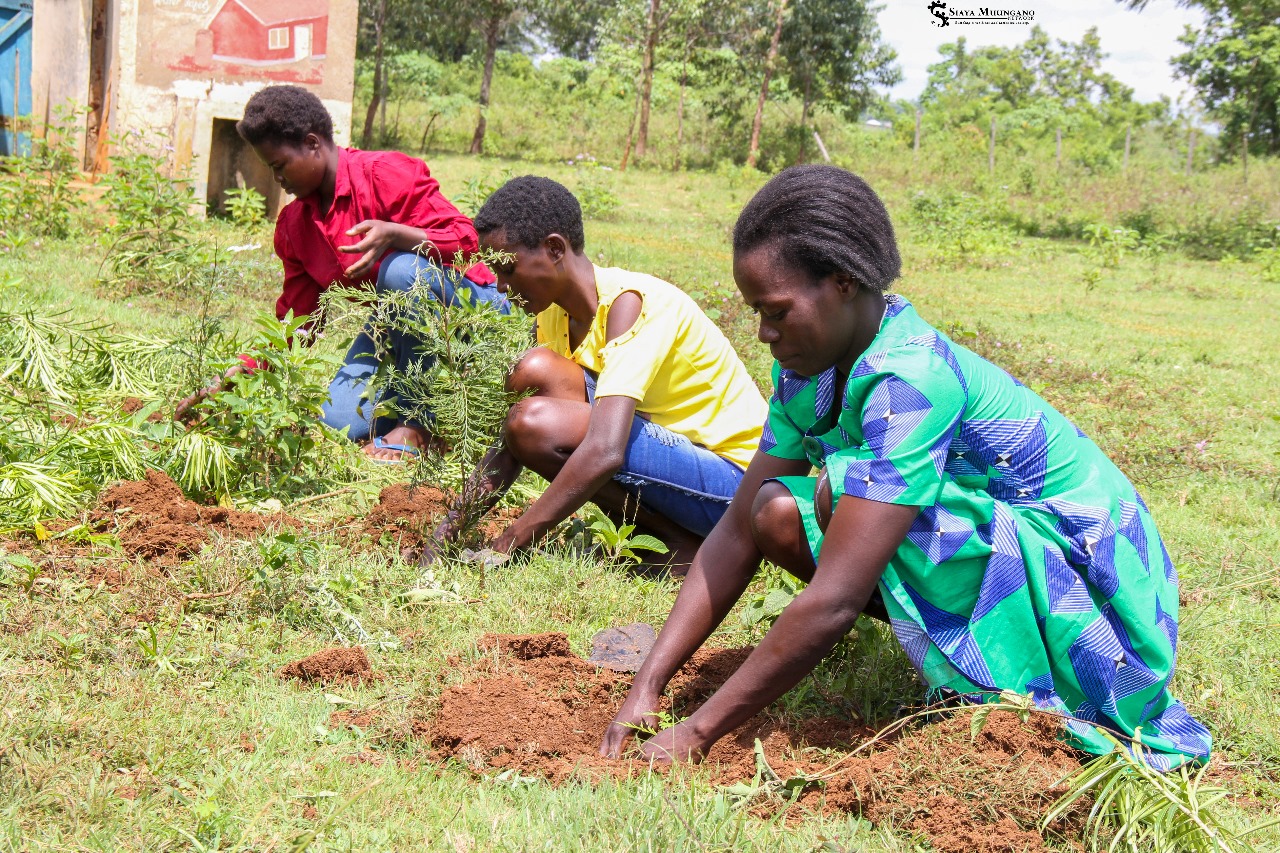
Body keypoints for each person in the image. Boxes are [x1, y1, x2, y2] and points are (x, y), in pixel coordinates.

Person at [599, 165, 1211, 770]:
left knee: (843, 495)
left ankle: (1011, 681)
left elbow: (836, 597)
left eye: (777, 311)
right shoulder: (808, 369)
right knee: (772, 508)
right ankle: (959, 654)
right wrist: (648, 684)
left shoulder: (911, 378)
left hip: (1091, 591)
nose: (764, 332)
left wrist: (698, 732)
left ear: (842, 281)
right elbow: (736, 528)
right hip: (1002, 548)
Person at [429, 176, 768, 569]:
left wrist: (511, 541)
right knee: (533, 376)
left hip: (740, 489)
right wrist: (446, 534)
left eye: (508, 270)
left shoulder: (631, 305)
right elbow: (510, 445)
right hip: (677, 464)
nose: (502, 287)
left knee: (536, 421)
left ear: (554, 248)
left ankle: (682, 549)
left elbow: (605, 450)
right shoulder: (554, 315)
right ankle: (672, 542)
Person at [175, 84, 507, 461]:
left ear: (313, 143)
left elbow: (468, 240)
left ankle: (420, 425)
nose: (277, 179)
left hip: (471, 308)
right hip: (399, 324)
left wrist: (398, 235)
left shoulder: (385, 174)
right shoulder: (295, 226)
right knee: (340, 422)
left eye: (280, 166)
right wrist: (234, 378)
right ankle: (435, 405)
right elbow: (299, 323)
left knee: (399, 270)